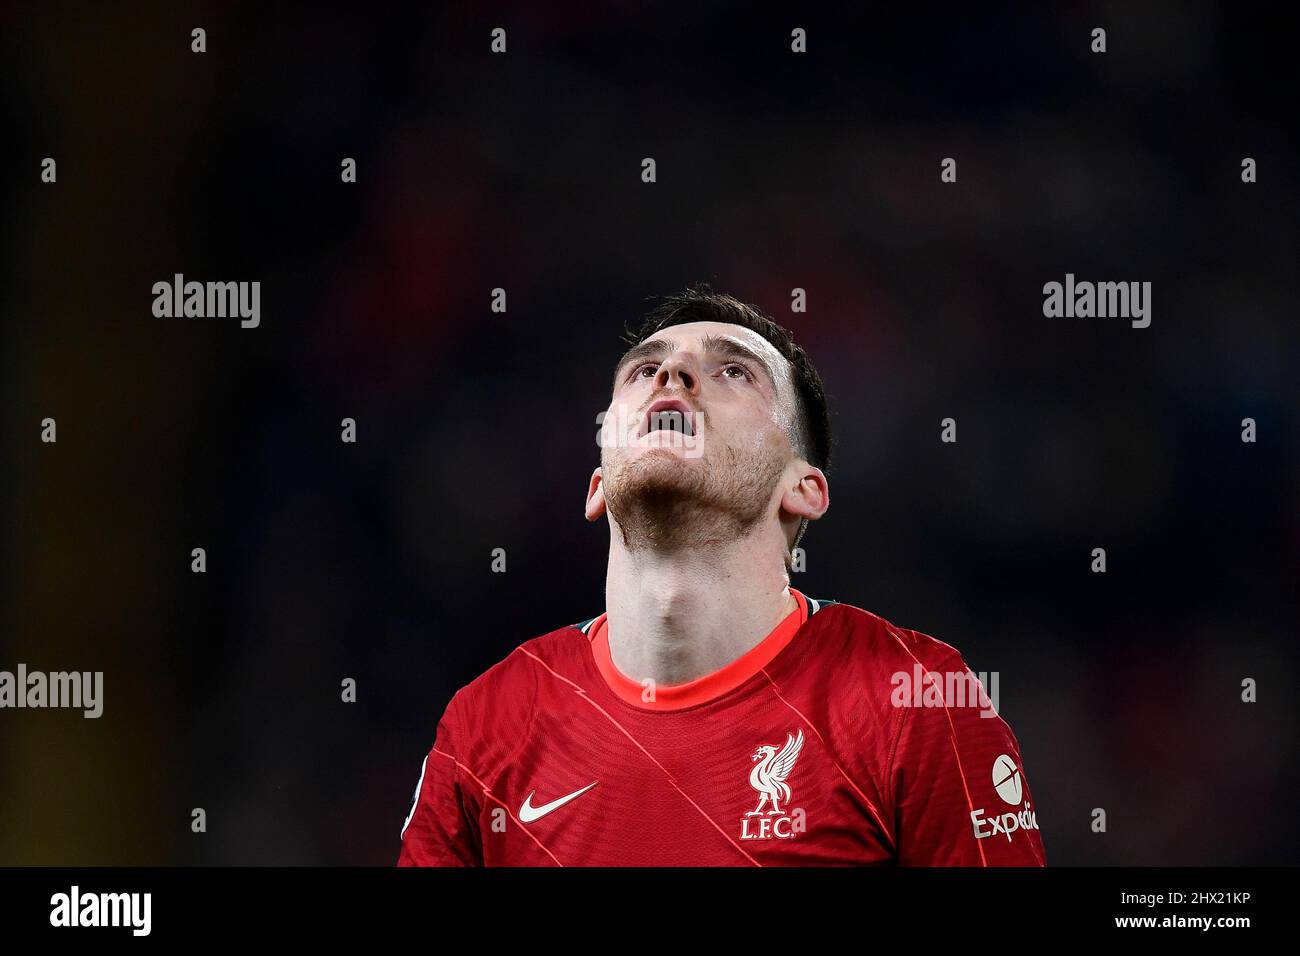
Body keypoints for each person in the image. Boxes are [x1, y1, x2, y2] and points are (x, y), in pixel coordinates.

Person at [398, 286, 1045, 866]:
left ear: (805, 488)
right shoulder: (486, 724)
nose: (672, 374)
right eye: (645, 370)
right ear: (598, 485)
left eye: (733, 371)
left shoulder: (914, 700)